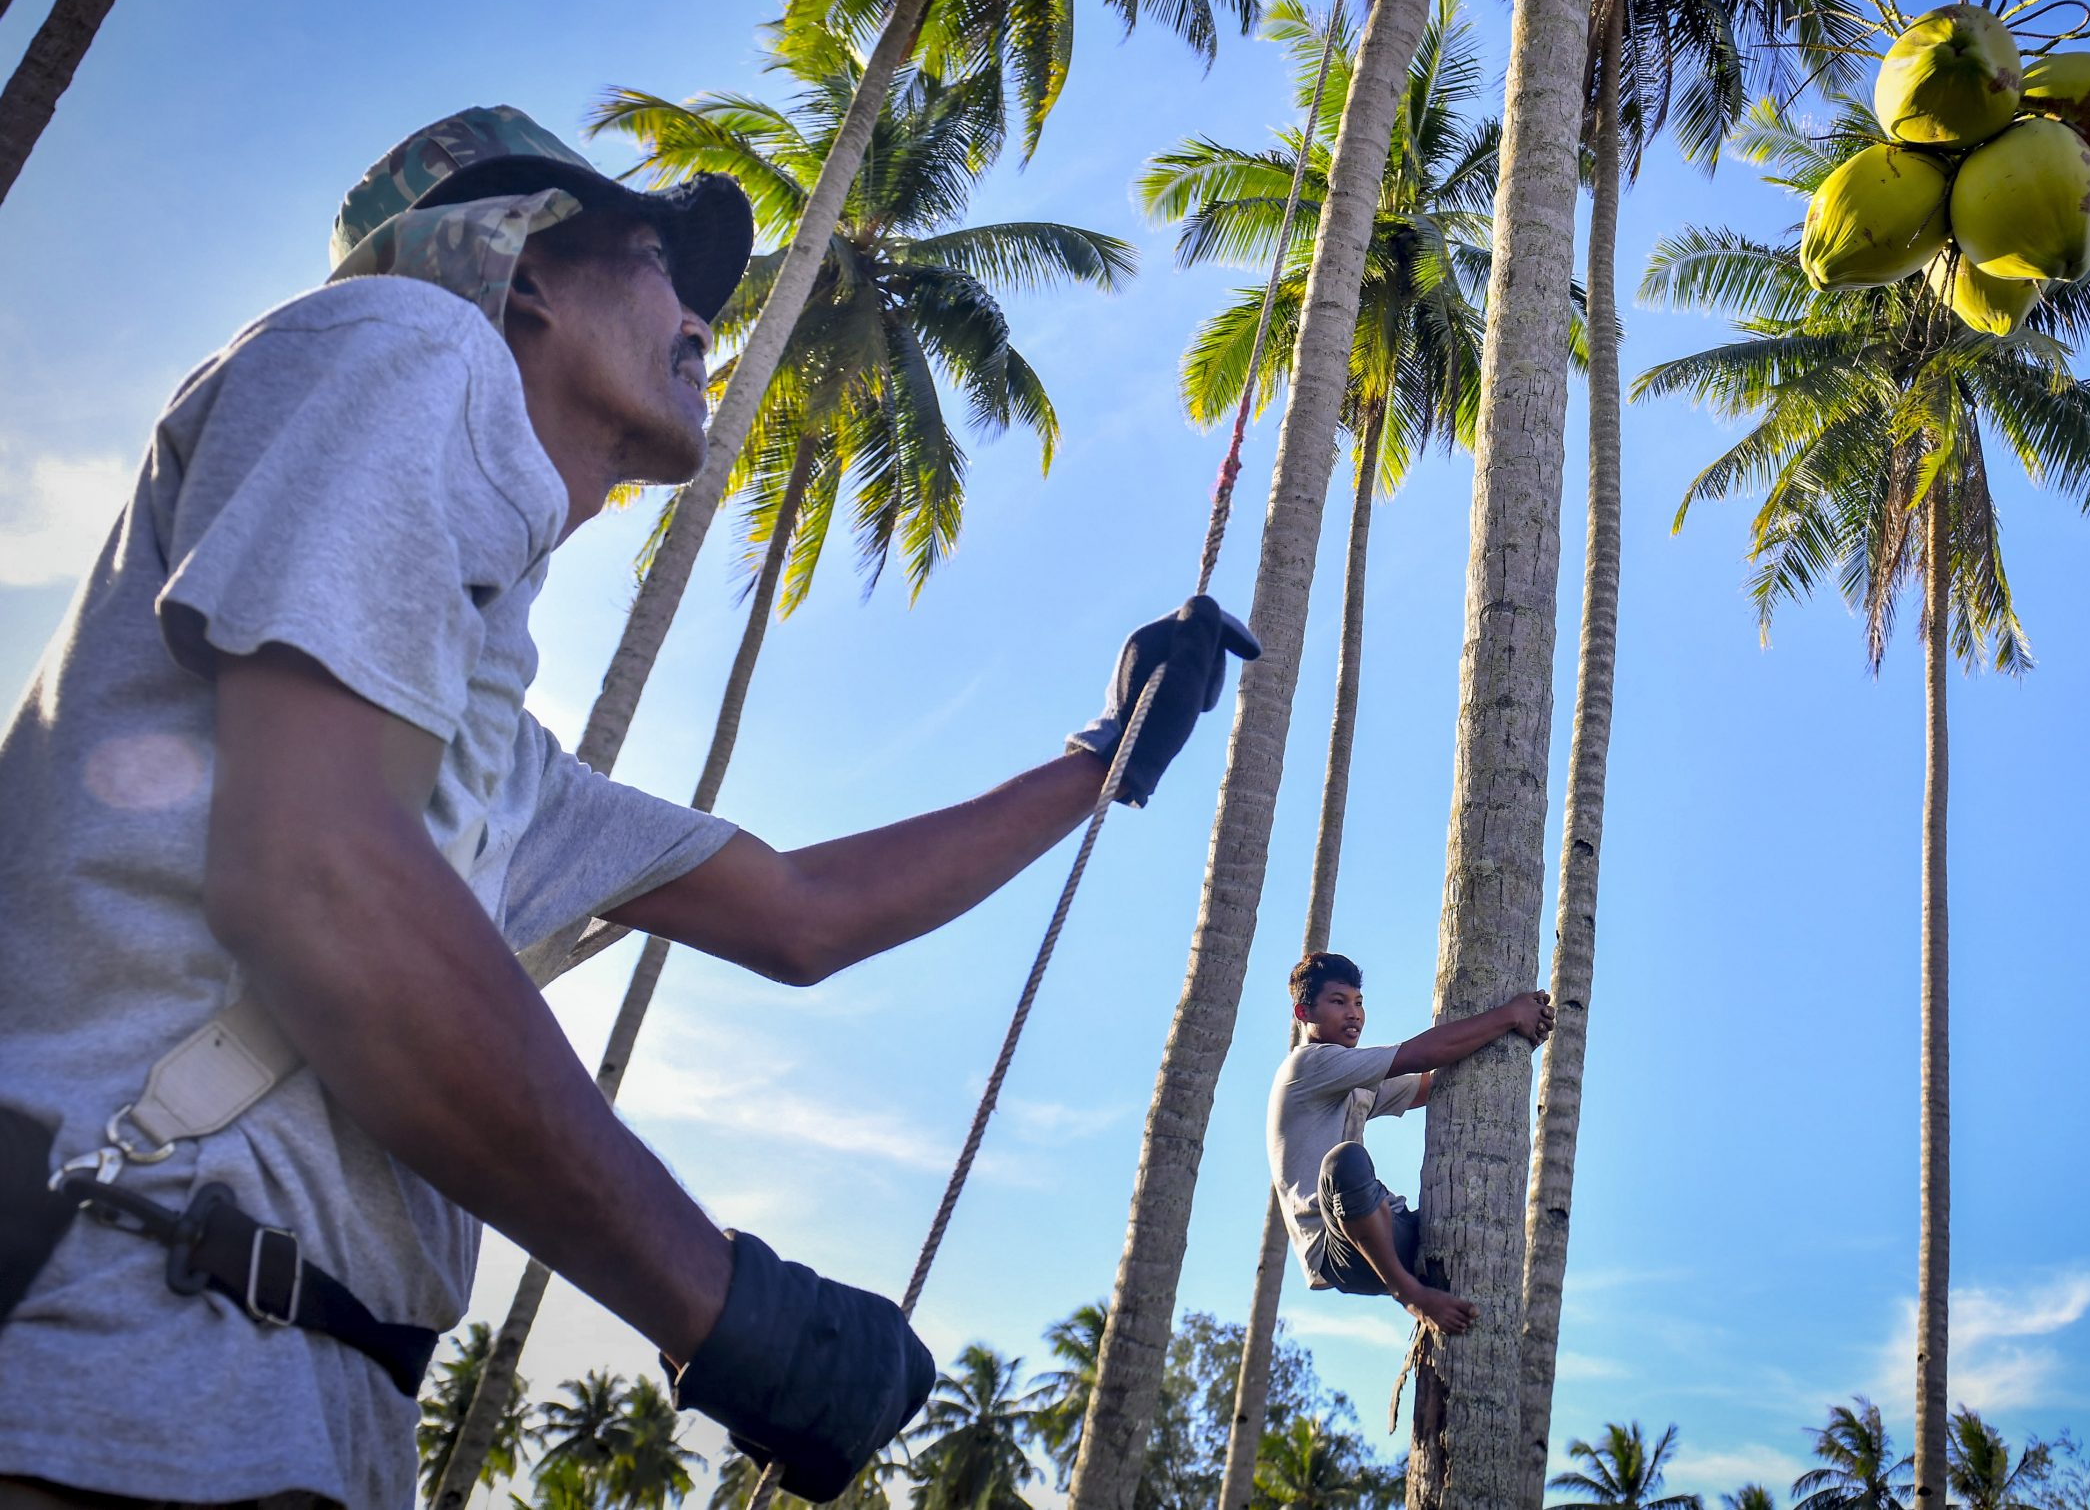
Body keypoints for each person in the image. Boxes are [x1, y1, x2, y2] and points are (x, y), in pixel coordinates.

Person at [0, 107, 1258, 1509]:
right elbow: (318, 884)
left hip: (272, 1422)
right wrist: (724, 1304)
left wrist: (1101, 756)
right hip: (110, 1375)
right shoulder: (410, 343)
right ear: (521, 265)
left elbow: (800, 913)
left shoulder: (485, 751)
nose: (701, 319)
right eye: (661, 259)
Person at [1263, 951, 1553, 1337]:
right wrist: (1508, 1015)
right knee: (1345, 1162)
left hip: (1391, 1233)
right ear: (1304, 1014)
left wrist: (1511, 1046)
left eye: (1358, 1003)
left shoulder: (1354, 1078)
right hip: (1339, 1250)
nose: (1353, 1014)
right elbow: (1420, 1055)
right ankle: (1411, 1294)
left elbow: (1433, 1083)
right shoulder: (1307, 1067)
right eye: (1338, 1002)